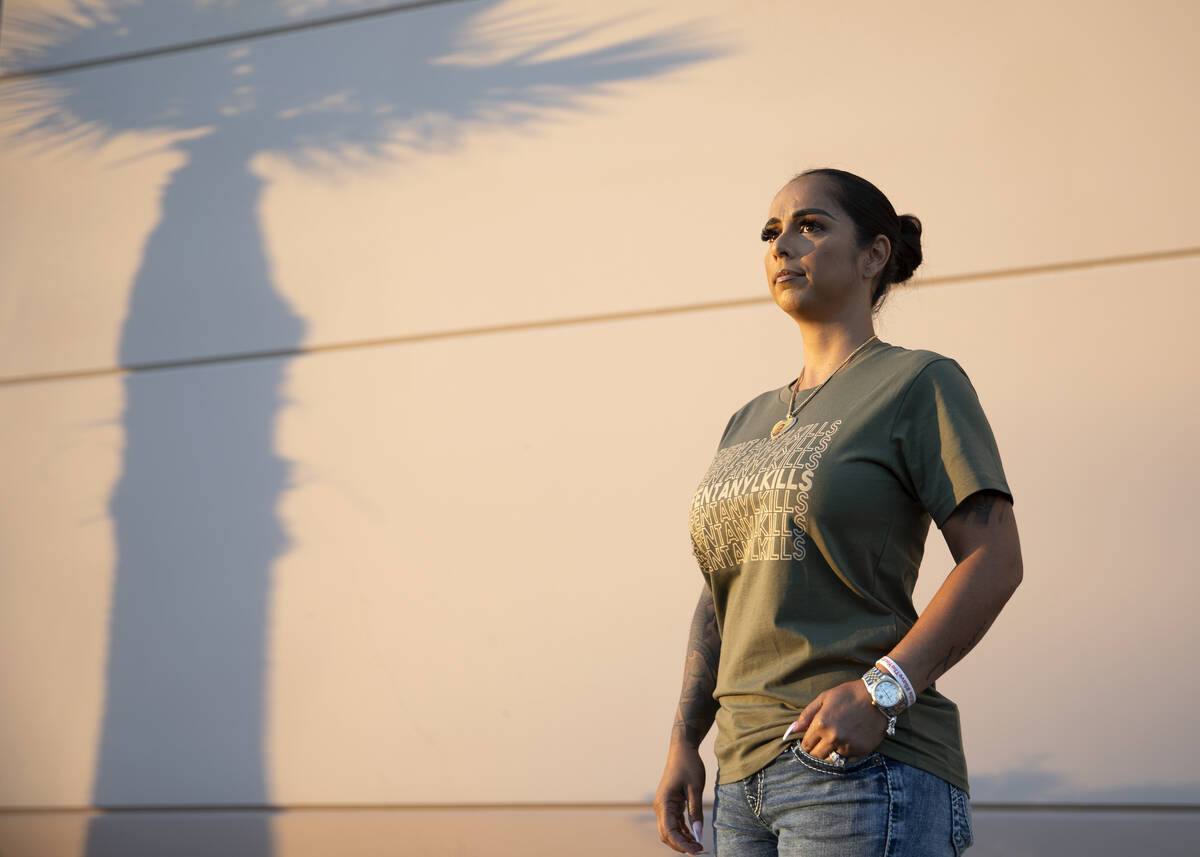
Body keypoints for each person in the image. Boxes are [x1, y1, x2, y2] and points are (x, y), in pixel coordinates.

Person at [653, 168, 1023, 856]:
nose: (782, 244)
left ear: (873, 255)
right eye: (770, 232)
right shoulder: (746, 419)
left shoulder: (917, 382)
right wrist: (684, 740)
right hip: (740, 781)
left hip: (859, 767)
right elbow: (723, 591)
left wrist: (882, 692)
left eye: (810, 225)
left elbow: (996, 557)